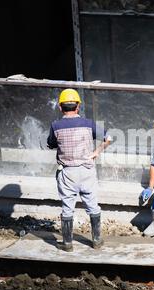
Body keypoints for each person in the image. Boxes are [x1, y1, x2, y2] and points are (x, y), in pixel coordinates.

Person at [47, 89, 112, 252]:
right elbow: (108, 138)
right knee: (92, 204)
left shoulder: (56, 125)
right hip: (87, 170)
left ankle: (67, 244)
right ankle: (96, 240)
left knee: (67, 206)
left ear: (61, 108)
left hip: (67, 172)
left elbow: (50, 144)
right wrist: (96, 153)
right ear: (78, 107)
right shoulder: (88, 123)